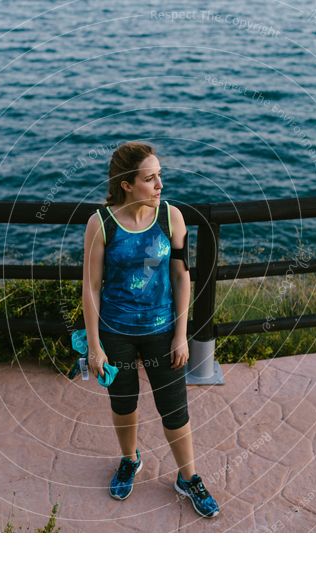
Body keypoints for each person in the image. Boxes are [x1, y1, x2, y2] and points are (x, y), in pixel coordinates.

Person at [81, 142, 220, 519]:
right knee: (123, 404)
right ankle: (130, 460)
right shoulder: (101, 223)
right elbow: (91, 286)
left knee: (175, 409)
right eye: (150, 178)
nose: (160, 184)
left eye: (160, 175)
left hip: (162, 330)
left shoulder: (171, 217)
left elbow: (181, 275)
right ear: (127, 184)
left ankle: (188, 478)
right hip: (116, 332)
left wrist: (180, 334)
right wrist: (95, 346)